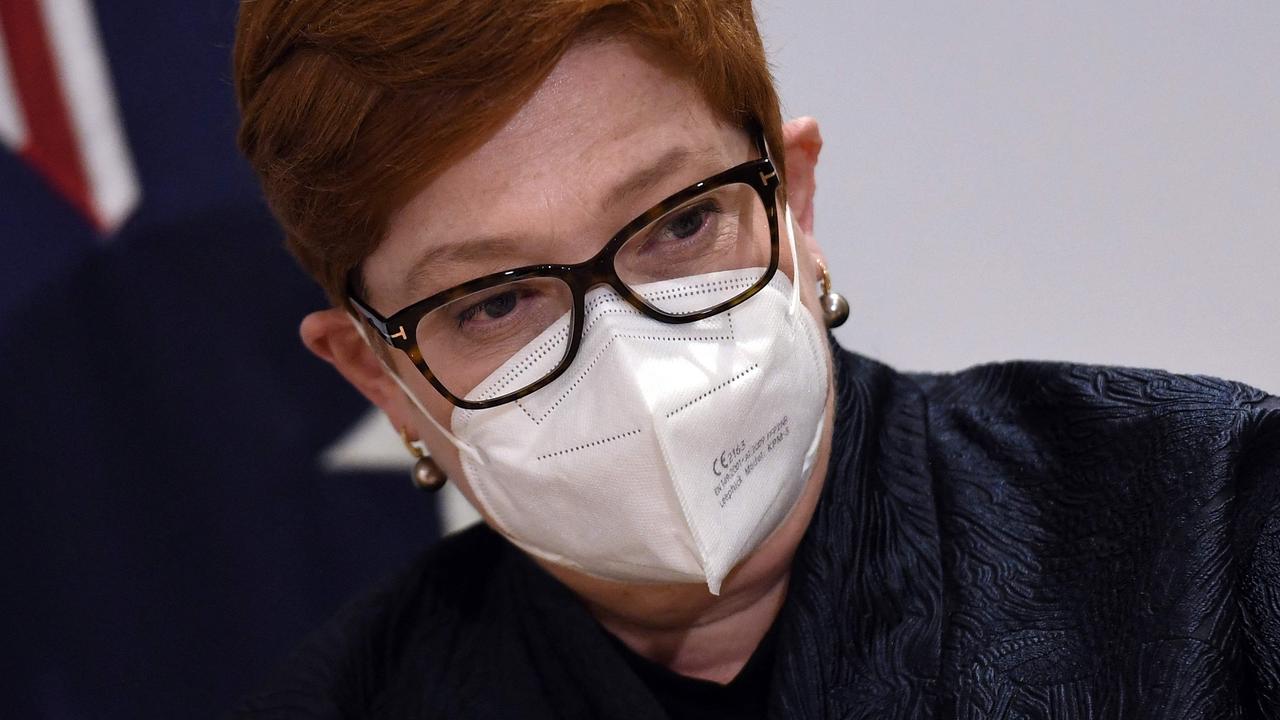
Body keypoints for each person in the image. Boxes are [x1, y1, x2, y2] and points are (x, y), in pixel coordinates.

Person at [230, 1, 1280, 717]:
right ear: (379, 378)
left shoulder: (1213, 526)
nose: (628, 355)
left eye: (679, 227)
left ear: (794, 202)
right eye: (498, 300)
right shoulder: (344, 701)